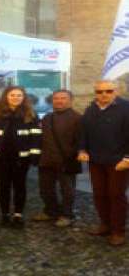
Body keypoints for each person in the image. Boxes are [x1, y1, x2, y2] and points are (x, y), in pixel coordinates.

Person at [78, 80, 129, 246]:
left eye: (108, 91)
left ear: (116, 91)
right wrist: (82, 149)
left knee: (116, 195)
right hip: (96, 160)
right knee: (99, 194)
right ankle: (105, 224)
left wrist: (127, 158)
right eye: (100, 92)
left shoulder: (126, 108)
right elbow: (83, 131)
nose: (104, 94)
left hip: (118, 161)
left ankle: (118, 231)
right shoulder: (91, 109)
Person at [0, 86, 41, 228]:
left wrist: (34, 155)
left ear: (24, 98)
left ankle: (18, 214)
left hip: (21, 158)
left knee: (20, 187)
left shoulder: (30, 114)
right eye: (12, 95)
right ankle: (5, 214)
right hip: (0, 158)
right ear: (6, 96)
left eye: (19, 95)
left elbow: (36, 136)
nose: (16, 98)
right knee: (3, 187)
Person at [32, 90, 81, 227]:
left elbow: (80, 141)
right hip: (46, 160)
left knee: (67, 190)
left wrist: (73, 156)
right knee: (45, 189)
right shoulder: (47, 117)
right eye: (56, 98)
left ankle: (67, 215)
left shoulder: (77, 118)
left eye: (63, 98)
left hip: (66, 161)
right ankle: (51, 211)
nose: (59, 101)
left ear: (71, 100)